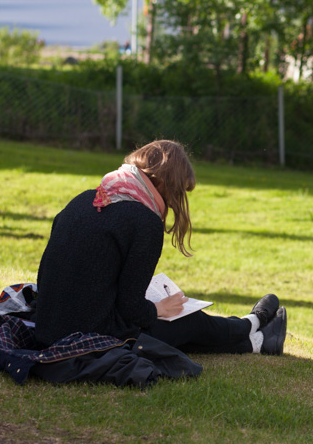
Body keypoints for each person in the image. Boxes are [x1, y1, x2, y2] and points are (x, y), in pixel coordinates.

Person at [34, 139, 287, 356]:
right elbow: (131, 310)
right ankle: (250, 325)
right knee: (187, 321)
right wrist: (158, 308)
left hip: (48, 326)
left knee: (175, 327)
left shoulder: (85, 198)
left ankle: (258, 342)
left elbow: (49, 274)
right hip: (89, 334)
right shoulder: (144, 221)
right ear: (168, 186)